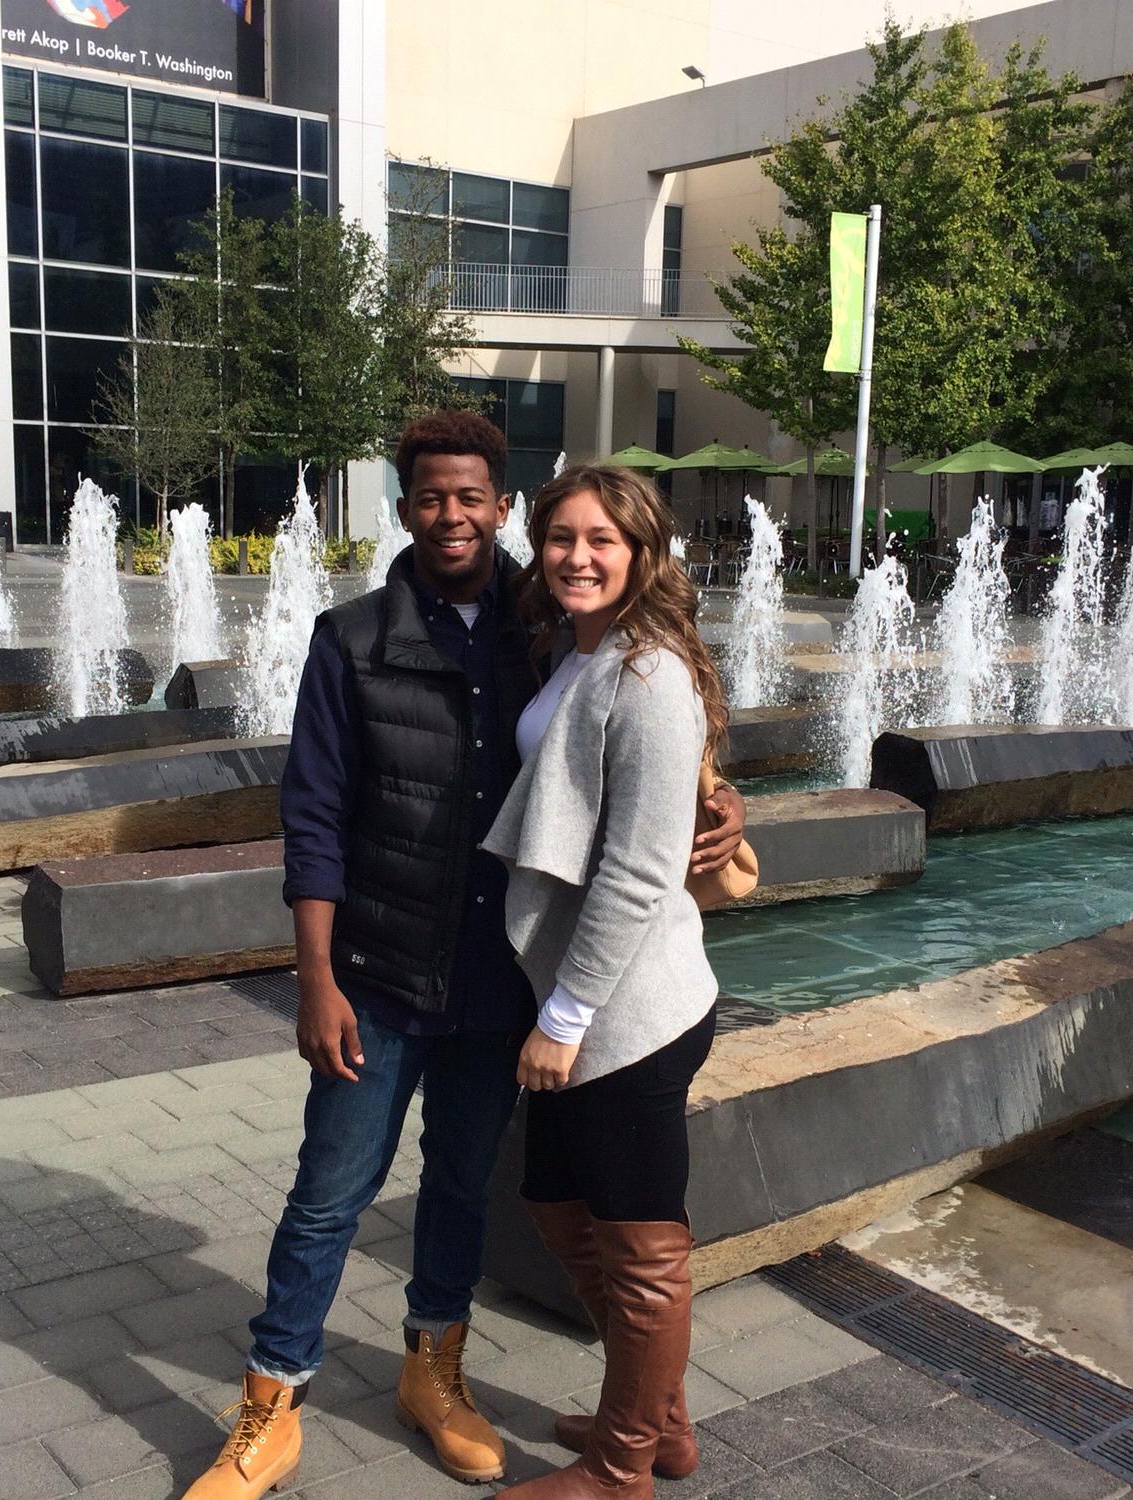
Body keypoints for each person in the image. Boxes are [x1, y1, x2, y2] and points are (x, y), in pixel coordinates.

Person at [183, 415, 744, 1500]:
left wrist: (718, 806)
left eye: (471, 497)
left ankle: (435, 1374)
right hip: (381, 972)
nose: (452, 515)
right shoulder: (353, 638)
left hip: (501, 981)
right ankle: (272, 1403)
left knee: (458, 1189)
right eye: (431, 498)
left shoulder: (546, 627)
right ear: (404, 509)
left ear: (500, 506)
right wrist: (315, 980)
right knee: (329, 1193)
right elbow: (312, 819)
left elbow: (655, 750)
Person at [482, 464, 727, 1498]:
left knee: (640, 1252)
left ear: (642, 553)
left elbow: (635, 871)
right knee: (554, 1204)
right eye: (561, 537)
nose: (577, 557)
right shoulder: (576, 648)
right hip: (582, 1001)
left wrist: (566, 1014)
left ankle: (620, 1472)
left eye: (601, 541)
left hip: (628, 1012)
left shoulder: (649, 674)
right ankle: (657, 1422)